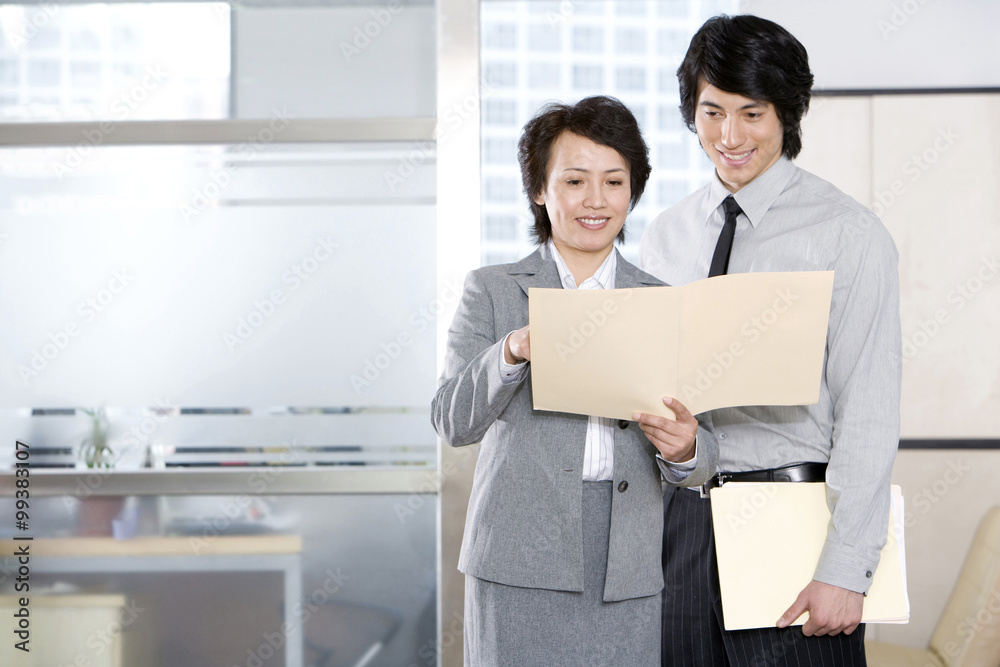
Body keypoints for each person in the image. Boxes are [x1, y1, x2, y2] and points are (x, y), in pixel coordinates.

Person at [637, 14, 901, 667]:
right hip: (683, 532)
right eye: (712, 112)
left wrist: (846, 567)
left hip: (795, 527)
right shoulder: (665, 236)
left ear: (787, 112)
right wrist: (678, 449)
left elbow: (869, 409)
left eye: (751, 112)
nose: (729, 135)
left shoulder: (848, 233)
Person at [432, 95, 719, 666]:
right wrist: (512, 350)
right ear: (540, 189)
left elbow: (704, 455)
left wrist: (685, 447)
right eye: (574, 181)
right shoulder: (492, 290)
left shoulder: (662, 303)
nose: (596, 200)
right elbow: (451, 420)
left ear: (632, 191)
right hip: (517, 560)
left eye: (614, 181)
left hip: (627, 567)